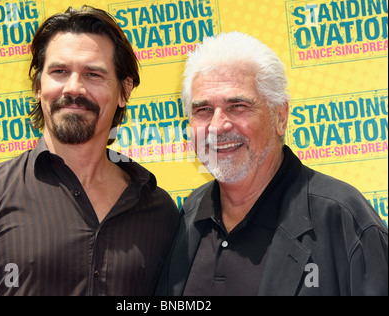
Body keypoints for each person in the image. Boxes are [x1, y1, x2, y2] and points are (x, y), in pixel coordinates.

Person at [0, 6, 179, 296]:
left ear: (124, 91)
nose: (74, 88)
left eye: (93, 74)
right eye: (59, 72)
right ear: (38, 86)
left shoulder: (158, 209)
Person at [155, 32, 388, 296]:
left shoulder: (343, 218)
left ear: (280, 116)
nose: (217, 126)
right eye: (203, 110)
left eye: (238, 106)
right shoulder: (189, 216)